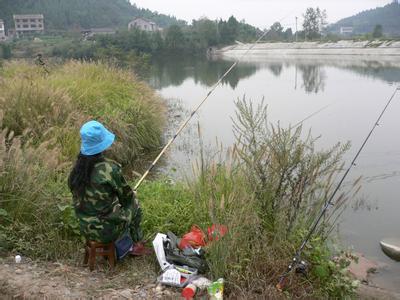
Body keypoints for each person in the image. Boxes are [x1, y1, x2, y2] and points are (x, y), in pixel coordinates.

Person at [68, 120, 147, 256]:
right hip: (107, 231)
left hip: (85, 228)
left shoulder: (76, 171)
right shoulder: (110, 169)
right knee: (135, 203)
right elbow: (127, 198)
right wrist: (132, 194)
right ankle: (136, 244)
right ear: (102, 145)